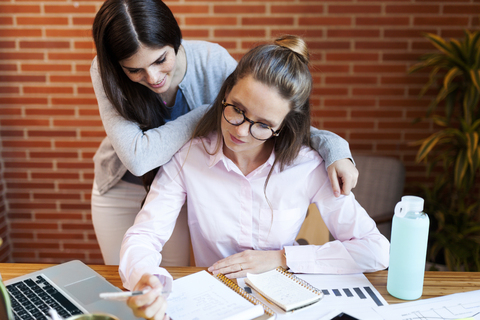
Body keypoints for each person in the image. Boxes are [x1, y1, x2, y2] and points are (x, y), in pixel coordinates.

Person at [119, 35, 390, 320]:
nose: (241, 132)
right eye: (237, 109)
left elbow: (375, 251)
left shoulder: (307, 166)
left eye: (263, 125)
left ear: (284, 126)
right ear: (225, 92)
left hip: (288, 304)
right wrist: (144, 278)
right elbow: (144, 236)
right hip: (213, 304)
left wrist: (281, 258)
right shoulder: (189, 157)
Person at [90, 0, 359, 266]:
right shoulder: (105, 72)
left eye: (161, 60)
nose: (153, 77)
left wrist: (335, 149)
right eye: (134, 70)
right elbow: (138, 160)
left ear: (175, 40)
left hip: (182, 182)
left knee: (170, 276)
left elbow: (271, 113)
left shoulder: (211, 60)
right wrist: (210, 112)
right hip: (123, 184)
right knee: (123, 275)